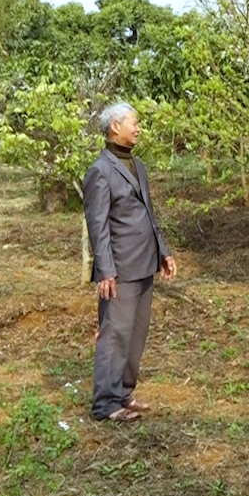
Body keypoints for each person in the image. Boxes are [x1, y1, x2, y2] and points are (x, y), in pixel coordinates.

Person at [83, 102, 177, 422]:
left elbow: (148, 214)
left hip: (144, 263)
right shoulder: (100, 171)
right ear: (115, 128)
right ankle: (105, 404)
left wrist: (163, 251)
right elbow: (98, 226)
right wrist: (105, 269)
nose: (138, 128)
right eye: (133, 123)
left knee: (136, 334)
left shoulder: (138, 165)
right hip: (120, 269)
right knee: (115, 334)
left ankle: (123, 393)